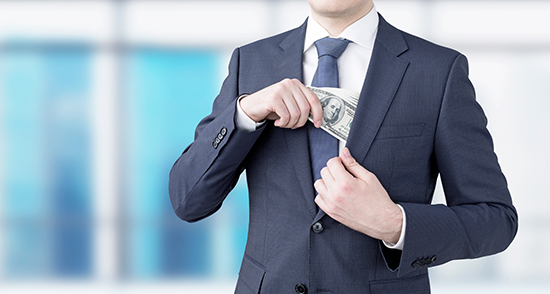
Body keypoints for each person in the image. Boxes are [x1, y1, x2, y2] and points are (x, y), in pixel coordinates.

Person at [169, 0, 518, 293]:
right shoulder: (252, 63)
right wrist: (244, 114)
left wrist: (395, 224)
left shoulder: (438, 71)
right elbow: (188, 200)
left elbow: (496, 220)